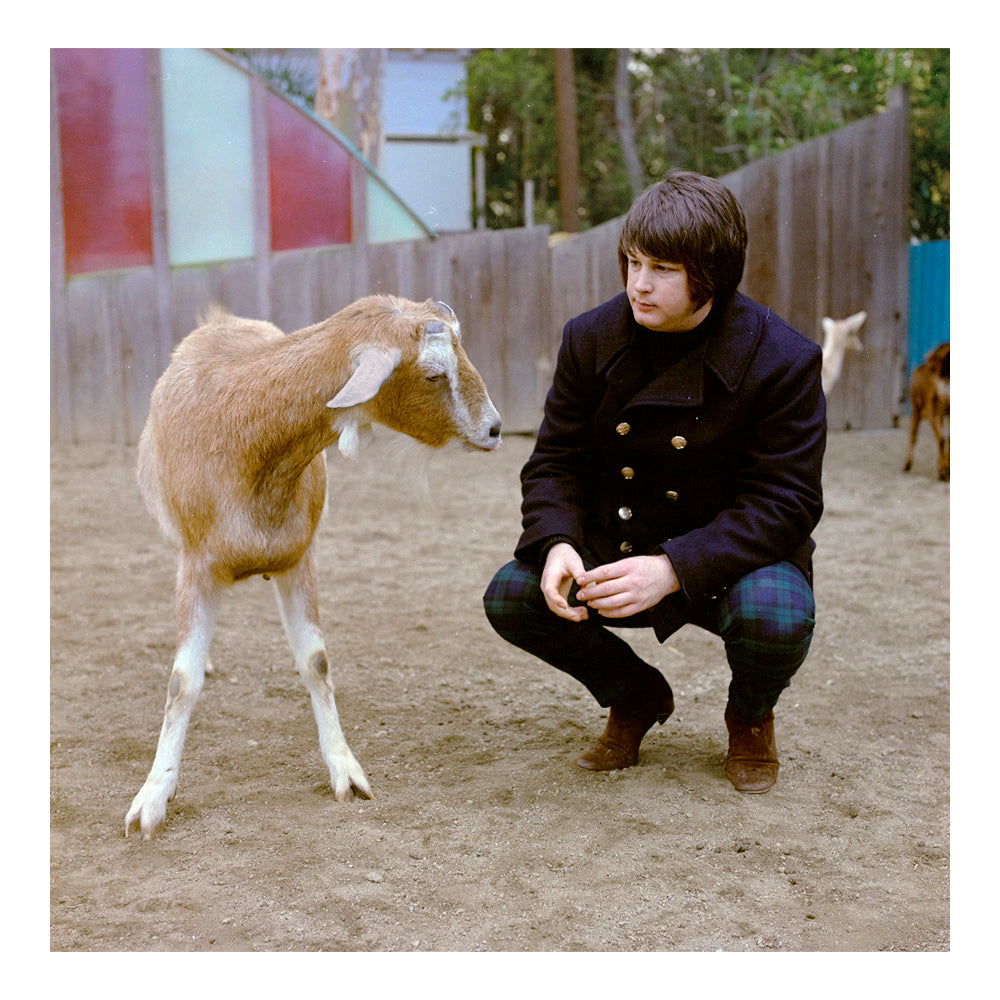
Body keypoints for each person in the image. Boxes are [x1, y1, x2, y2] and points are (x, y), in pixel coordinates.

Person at [483, 170, 825, 793]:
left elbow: (787, 501)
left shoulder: (783, 358)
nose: (639, 284)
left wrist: (673, 568)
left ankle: (750, 715)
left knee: (775, 615)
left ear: (712, 275)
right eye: (633, 261)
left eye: (663, 268)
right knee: (513, 593)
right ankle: (635, 695)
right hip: (617, 545)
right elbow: (555, 461)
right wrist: (558, 540)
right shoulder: (590, 338)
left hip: (729, 560)